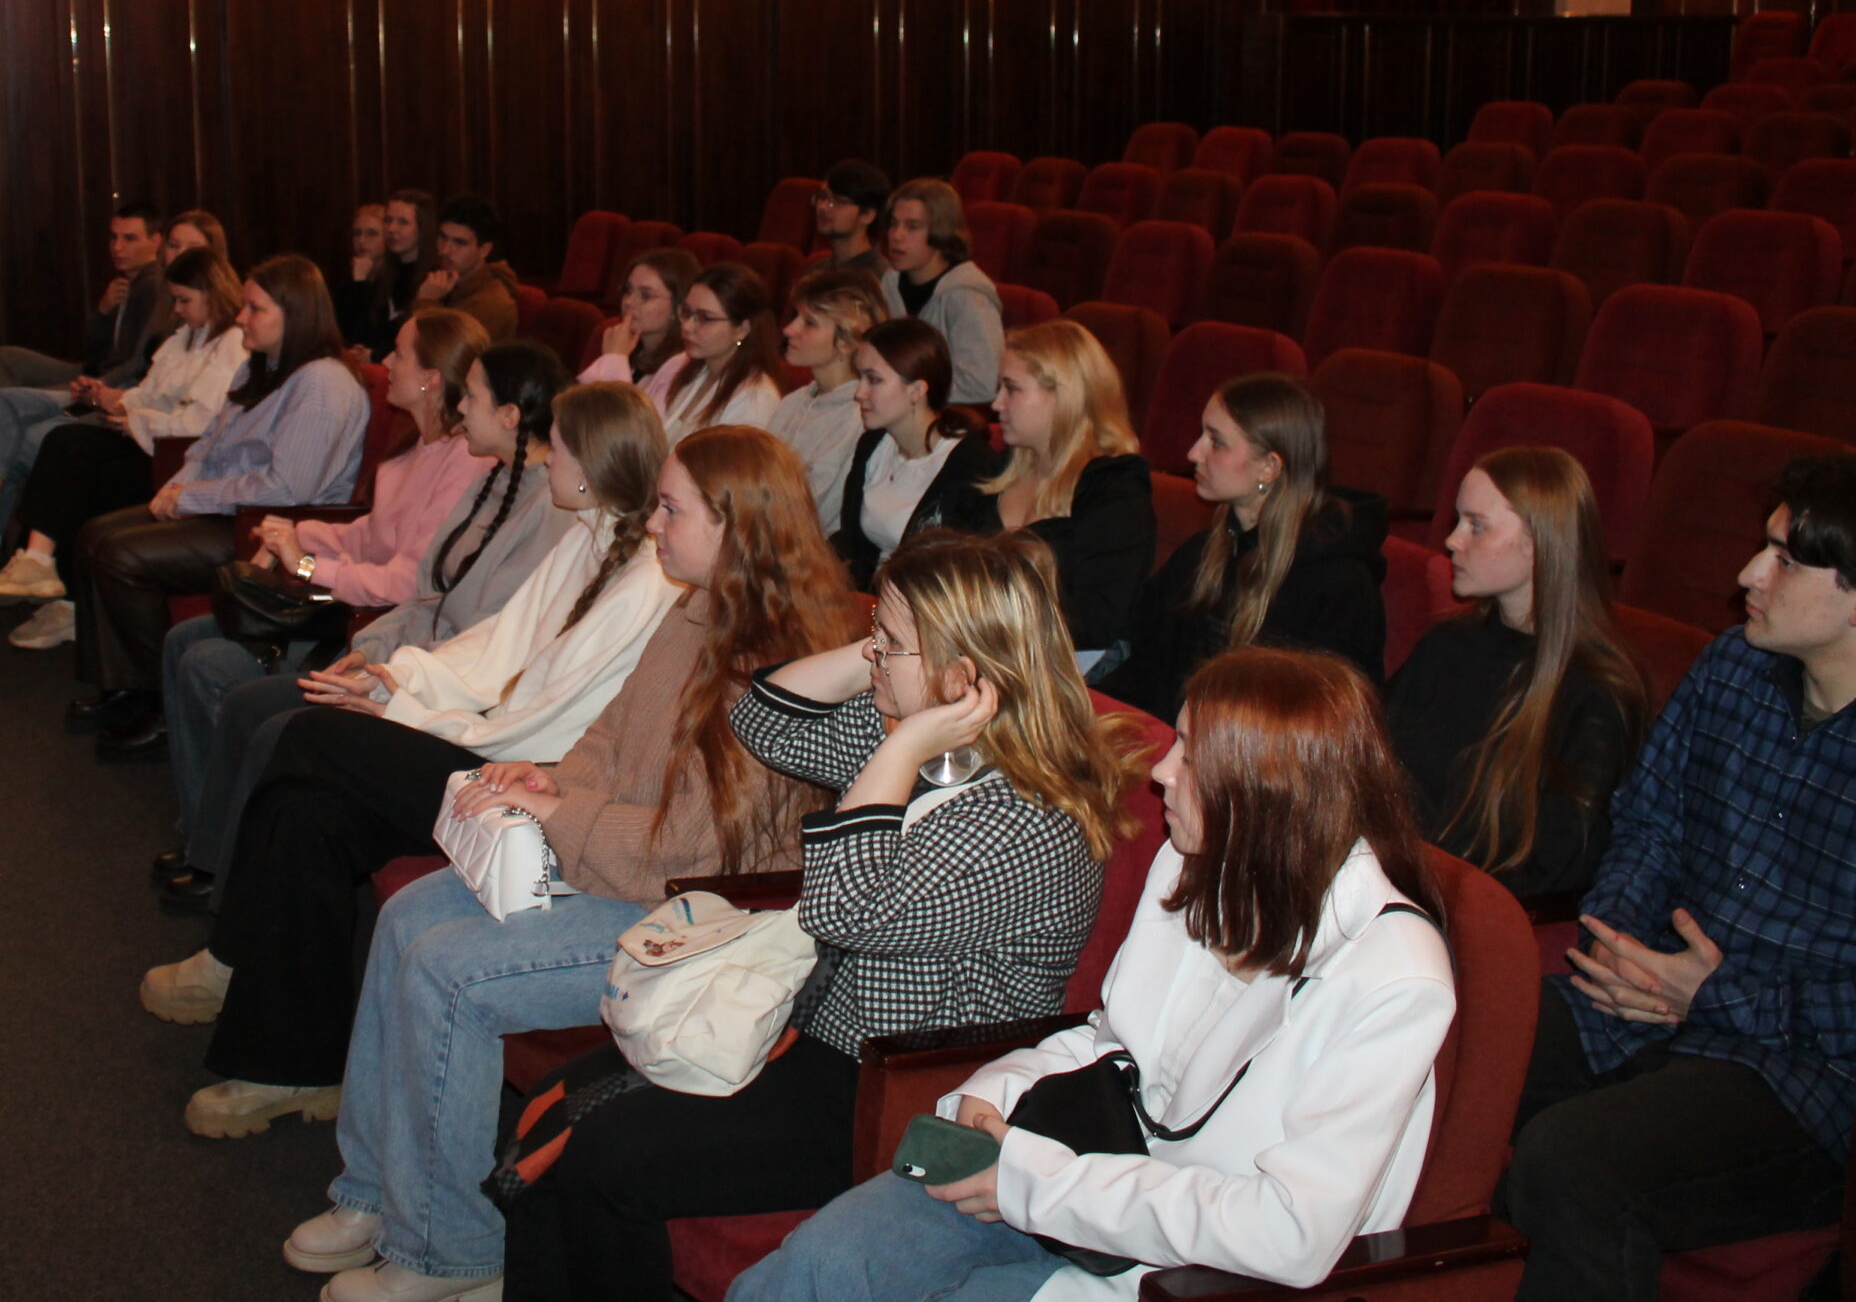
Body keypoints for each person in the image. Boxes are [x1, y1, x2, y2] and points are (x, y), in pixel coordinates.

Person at [251, 428, 862, 1302]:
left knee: (453, 973)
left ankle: (449, 1249)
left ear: (734, 524)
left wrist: (556, 812)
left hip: (698, 914)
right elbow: (609, 736)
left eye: (672, 509)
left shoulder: (781, 661)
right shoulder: (696, 604)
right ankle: (376, 1191)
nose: (653, 524)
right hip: (623, 865)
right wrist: (551, 779)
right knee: (407, 915)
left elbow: (690, 852)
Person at [501, 531, 1145, 1302]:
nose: (873, 655)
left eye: (890, 643)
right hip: (813, 1030)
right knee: (560, 1103)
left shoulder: (1023, 825)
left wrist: (905, 740)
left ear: (960, 674)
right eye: (876, 634)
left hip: (893, 1086)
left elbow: (844, 909)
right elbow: (760, 719)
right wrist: (891, 670)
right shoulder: (932, 749)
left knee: (608, 1153)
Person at [734, 646, 1455, 1302]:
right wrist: (994, 1093)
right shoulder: (1197, 860)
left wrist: (1033, 1182)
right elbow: (1113, 1039)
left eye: (1191, 755)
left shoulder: (1394, 976)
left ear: (1266, 789)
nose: (1162, 771)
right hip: (1076, 1174)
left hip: (1189, 1267)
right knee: (821, 1263)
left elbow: (1291, 1234)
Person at [135, 383, 677, 1097]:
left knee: (308, 736)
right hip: (489, 743)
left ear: (593, 462)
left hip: (521, 776)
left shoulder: (646, 581)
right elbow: (497, 648)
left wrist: (406, 712)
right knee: (309, 814)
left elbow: (553, 720)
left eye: (561, 448)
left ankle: (232, 950)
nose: (549, 461)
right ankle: (291, 1069)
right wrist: (399, 680)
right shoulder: (591, 534)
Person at [1498, 454, 1856, 1302]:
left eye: (1785, 561)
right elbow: (1650, 822)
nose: (1748, 575)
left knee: (1570, 1162)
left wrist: (1712, 994)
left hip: (1802, 1076)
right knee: (1449, 1048)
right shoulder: (1733, 666)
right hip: (1648, 997)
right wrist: (1619, 941)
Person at [156, 342, 576, 911]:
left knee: (273, 721)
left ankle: (229, 887)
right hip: (402, 661)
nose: (460, 407)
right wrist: (370, 648)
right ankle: (214, 863)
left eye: (473, 397)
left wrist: (385, 671)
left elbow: (485, 645)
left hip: (440, 692)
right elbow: (428, 594)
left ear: (509, 414)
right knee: (252, 705)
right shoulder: (492, 479)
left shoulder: (547, 509)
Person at [61, 255, 370, 751]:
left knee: (122, 554)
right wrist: (174, 491)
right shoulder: (263, 366)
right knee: (95, 535)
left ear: (294, 314)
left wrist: (191, 497)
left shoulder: (322, 382)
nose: (241, 318)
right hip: (227, 509)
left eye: (255, 309)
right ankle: (124, 688)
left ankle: (160, 703)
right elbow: (209, 446)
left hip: (266, 527)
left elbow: (288, 488)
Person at [1385, 447, 1649, 897]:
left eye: (1476, 525)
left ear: (1539, 544)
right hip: (1396, 882)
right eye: (1457, 520)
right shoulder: (1447, 645)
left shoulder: (1598, 693)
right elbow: (1372, 766)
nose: (1452, 541)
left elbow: (1557, 867)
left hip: (1465, 908)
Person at [0, 246, 245, 599]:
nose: (176, 309)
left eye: (184, 300)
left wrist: (131, 414)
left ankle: (14, 560)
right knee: (2, 407)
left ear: (212, 294)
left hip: (167, 450)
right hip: (135, 420)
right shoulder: (188, 336)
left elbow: (198, 421)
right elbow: (147, 390)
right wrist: (113, 398)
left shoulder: (231, 343)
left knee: (56, 441)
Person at [1101, 374, 1386, 724]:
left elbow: (1327, 725)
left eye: (1216, 442)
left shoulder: (1337, 586)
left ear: (1269, 466)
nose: (1193, 453)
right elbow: (1141, 670)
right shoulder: (1201, 555)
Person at [979, 319, 1155, 666]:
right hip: (987, 654)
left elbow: (1096, 621)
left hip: (1062, 670)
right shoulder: (999, 469)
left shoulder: (1116, 493)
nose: (996, 404)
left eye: (1011, 389)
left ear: (1064, 396)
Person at [0, 202, 174, 430]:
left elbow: (136, 363)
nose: (117, 247)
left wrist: (101, 384)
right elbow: (91, 352)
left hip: (109, 382)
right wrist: (103, 311)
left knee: (6, 399)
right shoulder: (125, 284)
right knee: (7, 358)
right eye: (113, 238)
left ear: (155, 242)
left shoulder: (151, 288)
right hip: (92, 370)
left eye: (129, 239)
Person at [833, 318, 1004, 584]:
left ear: (917, 391)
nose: (859, 393)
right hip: (871, 595)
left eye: (873, 380)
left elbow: (961, 573)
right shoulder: (873, 444)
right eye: (860, 378)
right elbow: (853, 545)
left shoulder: (970, 464)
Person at [764, 268, 885, 531]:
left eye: (809, 323)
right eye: (795, 317)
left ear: (847, 341)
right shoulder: (792, 402)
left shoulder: (858, 419)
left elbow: (815, 515)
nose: (789, 329)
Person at [878, 179, 1005, 406]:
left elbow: (981, 384)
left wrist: (906, 393)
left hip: (945, 417)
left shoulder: (967, 295)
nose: (896, 235)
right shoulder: (889, 282)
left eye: (912, 226)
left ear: (941, 232)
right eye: (893, 224)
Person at [658, 262, 786, 434]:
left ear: (741, 330)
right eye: (687, 313)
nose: (687, 326)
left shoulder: (755, 398)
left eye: (705, 318)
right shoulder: (696, 372)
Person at [580, 247, 700, 398]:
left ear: (679, 308)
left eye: (646, 295)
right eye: (628, 290)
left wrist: (614, 358)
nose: (628, 302)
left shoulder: (681, 368)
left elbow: (621, 413)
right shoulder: (632, 350)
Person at [414, 194, 520, 343]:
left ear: (484, 250)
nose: (445, 250)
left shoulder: (493, 304)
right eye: (442, 237)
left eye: (459, 242)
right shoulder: (443, 278)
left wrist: (427, 301)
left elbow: (435, 351)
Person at [351, 188, 437, 359]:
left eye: (403, 222)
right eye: (388, 220)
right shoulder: (386, 275)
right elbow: (363, 333)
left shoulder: (434, 279)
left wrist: (375, 355)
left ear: (423, 228)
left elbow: (421, 343)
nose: (391, 228)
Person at [803, 160, 892, 281]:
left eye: (839, 201)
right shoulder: (817, 271)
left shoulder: (879, 279)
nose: (823, 207)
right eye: (823, 197)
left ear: (868, 215)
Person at [332, 201, 388, 346]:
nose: (362, 241)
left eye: (372, 234)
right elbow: (343, 329)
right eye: (357, 233)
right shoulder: (347, 279)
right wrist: (358, 282)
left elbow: (367, 333)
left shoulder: (395, 281)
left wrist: (359, 285)